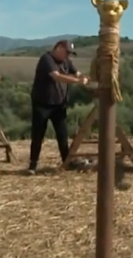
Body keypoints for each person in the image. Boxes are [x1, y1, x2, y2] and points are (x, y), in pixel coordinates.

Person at [28, 40, 89, 175]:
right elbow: (57, 76)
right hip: (42, 104)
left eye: (69, 53)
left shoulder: (66, 61)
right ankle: (33, 165)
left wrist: (84, 77)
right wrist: (77, 81)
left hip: (59, 105)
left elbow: (76, 72)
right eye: (66, 52)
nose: (67, 55)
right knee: (38, 135)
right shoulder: (46, 59)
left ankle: (66, 162)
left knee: (62, 136)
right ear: (59, 48)